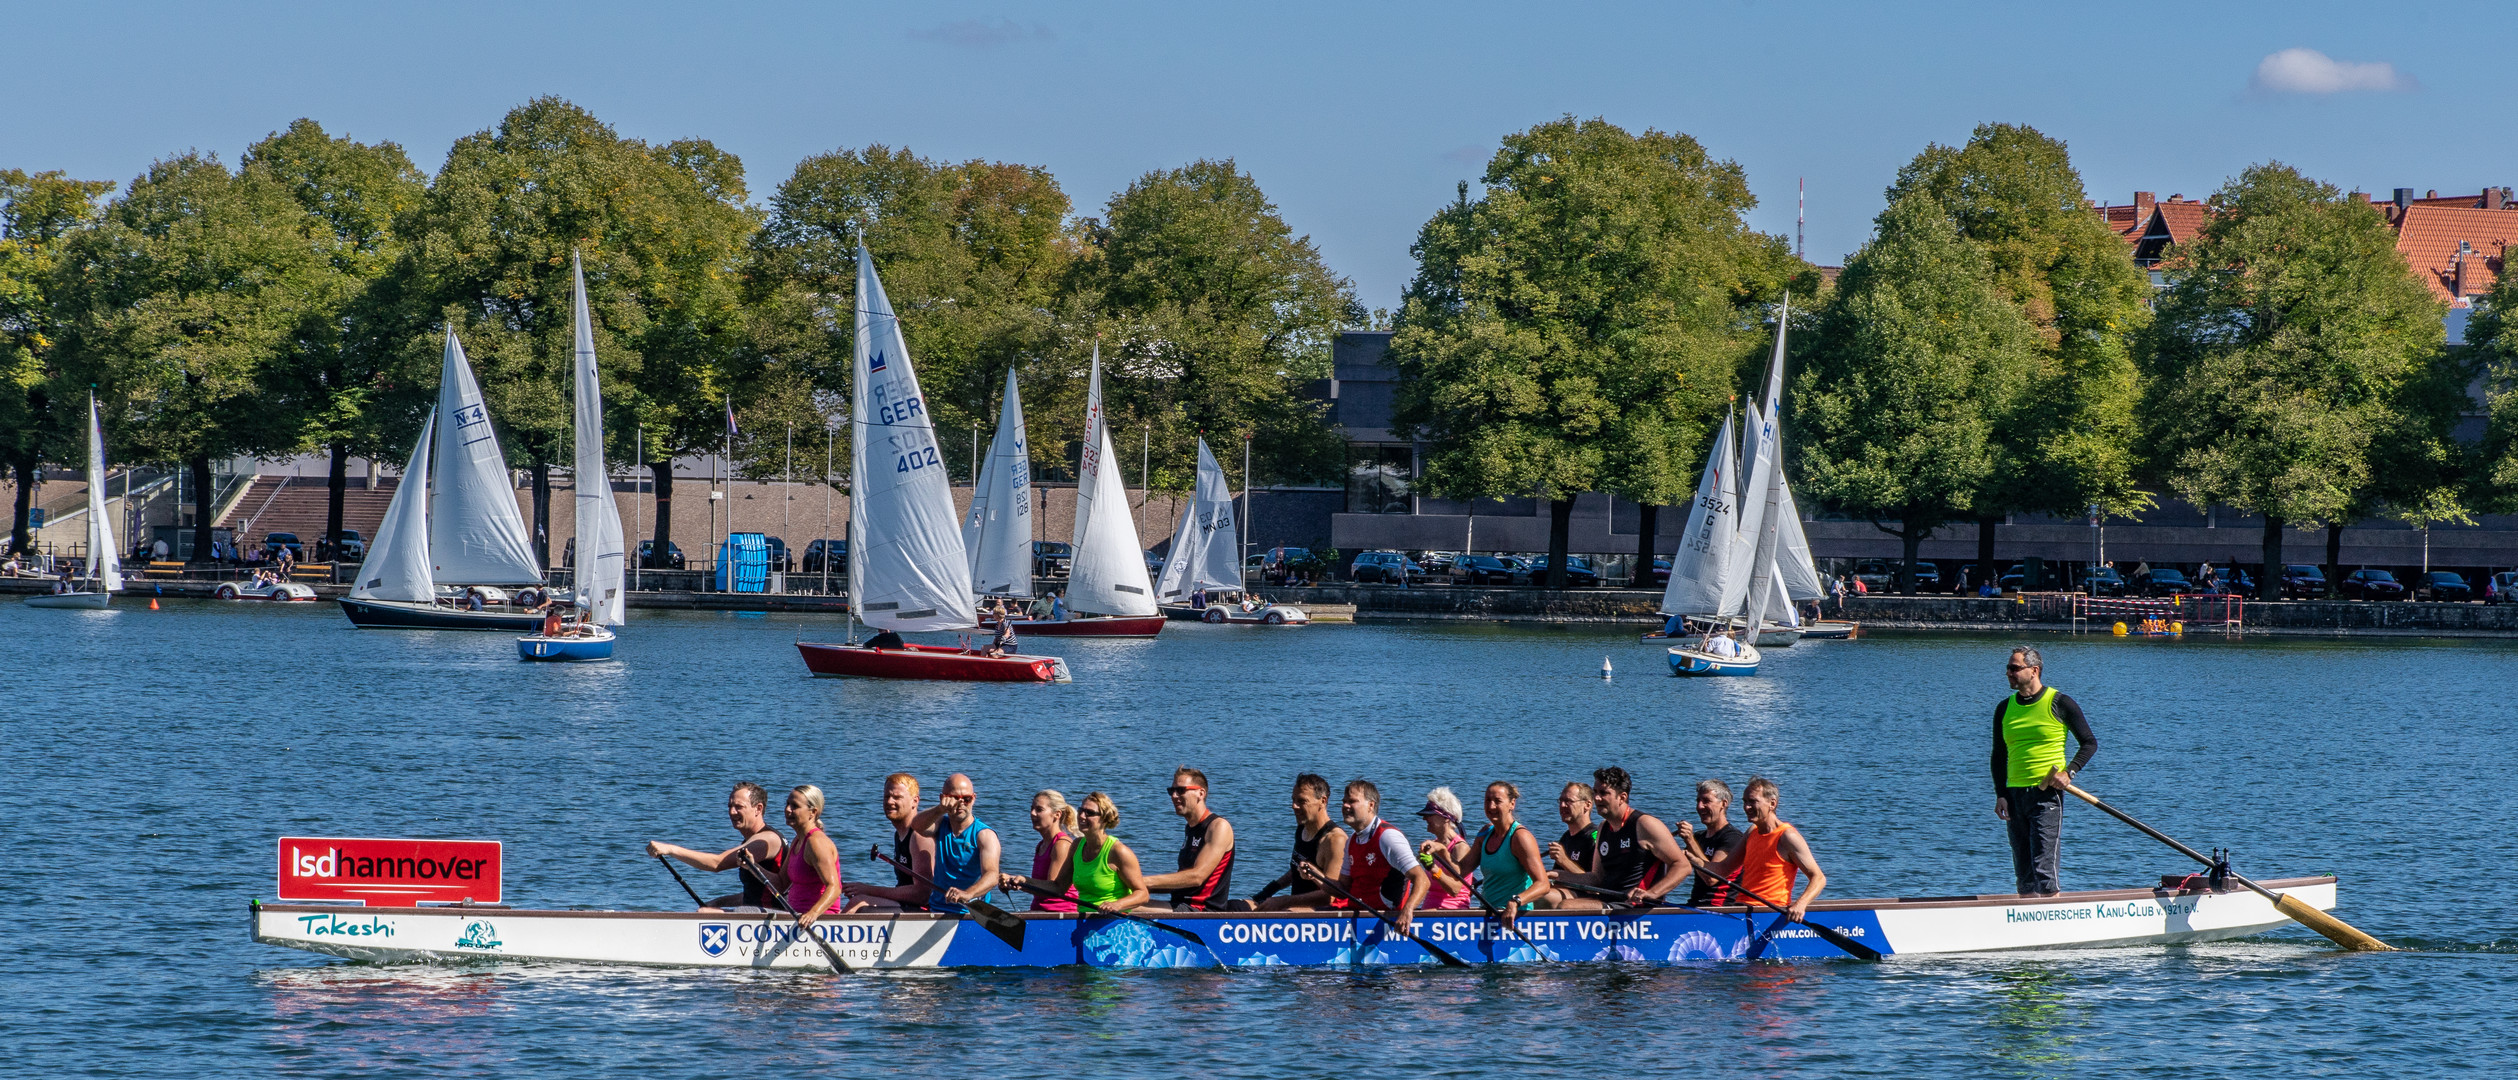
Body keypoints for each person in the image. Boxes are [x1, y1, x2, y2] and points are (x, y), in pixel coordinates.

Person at [1994, 645, 2097, 896]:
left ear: (2034, 670)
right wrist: (2001, 794)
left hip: (2046, 795)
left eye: (2015, 668)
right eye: (2008, 668)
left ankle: (2052, 913)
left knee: (2043, 870)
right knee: (2024, 873)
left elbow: (2089, 743)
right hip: (2014, 795)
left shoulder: (2060, 703)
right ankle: (2028, 923)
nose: (2009, 673)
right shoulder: (2004, 708)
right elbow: (1998, 755)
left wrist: (2069, 772)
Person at [1298, 780, 1430, 936]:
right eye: (1344, 802)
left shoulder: (1388, 837)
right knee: (1292, 911)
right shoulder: (1352, 841)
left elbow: (1422, 879)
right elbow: (1343, 889)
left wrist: (1408, 911)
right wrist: (1315, 875)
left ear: (1371, 806)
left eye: (1352, 801)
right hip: (1356, 913)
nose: (1345, 806)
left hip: (1382, 920)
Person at [1562, 767, 1691, 910]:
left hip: (1634, 906)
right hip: (1609, 901)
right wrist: (1555, 876)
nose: (1596, 798)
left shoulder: (1645, 825)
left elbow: (1683, 866)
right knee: (1551, 897)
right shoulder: (1604, 828)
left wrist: (1653, 893)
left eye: (1604, 793)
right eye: (1595, 792)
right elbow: (1596, 878)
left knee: (1566, 907)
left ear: (1622, 797)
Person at [646, 782, 788, 911]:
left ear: (758, 808)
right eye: (730, 806)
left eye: (739, 807)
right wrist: (717, 902)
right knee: (707, 909)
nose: (732, 812)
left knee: (704, 914)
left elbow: (717, 863)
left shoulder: (766, 840)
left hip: (774, 919)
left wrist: (671, 850)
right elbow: (754, 894)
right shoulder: (752, 839)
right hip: (760, 915)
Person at [1004, 791, 1151, 913]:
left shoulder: (1119, 851)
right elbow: (1058, 887)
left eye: (1089, 813)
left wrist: (1117, 905)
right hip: (1083, 919)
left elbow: (1142, 894)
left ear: (1104, 819)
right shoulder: (1077, 846)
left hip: (1112, 920)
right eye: (1081, 811)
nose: (1081, 816)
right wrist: (1023, 881)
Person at [1244, 773, 1349, 911]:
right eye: (1293, 800)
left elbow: (1329, 897)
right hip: (1294, 907)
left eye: (1302, 801)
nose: (1294, 806)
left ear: (1323, 801)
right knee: (1238, 906)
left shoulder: (1335, 839)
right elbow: (1295, 870)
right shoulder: (1303, 828)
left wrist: (1284, 901)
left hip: (1320, 913)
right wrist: (1267, 892)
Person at [1140, 767, 1237, 911]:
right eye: (1171, 791)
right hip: (1180, 905)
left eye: (1180, 790)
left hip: (1201, 912)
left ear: (1201, 793)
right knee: (1119, 899)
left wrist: (1141, 881)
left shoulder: (1218, 827)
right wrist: (1136, 887)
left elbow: (1197, 877)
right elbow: (1182, 881)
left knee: (1125, 906)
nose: (1173, 796)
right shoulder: (1190, 828)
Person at [1733, 777, 1827, 921]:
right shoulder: (1752, 831)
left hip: (1769, 914)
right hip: (1741, 909)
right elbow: (1723, 868)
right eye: (1744, 802)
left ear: (1772, 804)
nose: (1746, 807)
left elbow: (1819, 878)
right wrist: (1689, 855)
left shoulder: (1787, 836)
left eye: (1752, 801)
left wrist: (1800, 904)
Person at [906, 773, 1001, 913]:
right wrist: (940, 809)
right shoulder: (940, 825)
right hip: (937, 909)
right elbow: (916, 826)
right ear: (943, 798)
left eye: (966, 799)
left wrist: (968, 893)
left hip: (969, 913)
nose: (961, 804)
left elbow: (992, 876)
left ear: (974, 798)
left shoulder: (985, 835)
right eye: (955, 799)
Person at [1469, 782, 1554, 931]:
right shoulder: (1485, 833)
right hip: (1489, 913)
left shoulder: (1520, 837)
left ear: (1512, 804)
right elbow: (1461, 869)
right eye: (1487, 800)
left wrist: (1516, 901)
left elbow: (1543, 884)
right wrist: (1439, 853)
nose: (1491, 807)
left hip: (1515, 917)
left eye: (1497, 801)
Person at [843, 773, 932, 912]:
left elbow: (923, 894)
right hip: (908, 904)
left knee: (859, 902)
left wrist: (869, 890)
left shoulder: (919, 836)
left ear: (915, 801)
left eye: (897, 797)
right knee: (860, 898)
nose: (890, 801)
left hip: (926, 910)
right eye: (886, 797)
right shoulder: (899, 834)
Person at [781, 785, 845, 928]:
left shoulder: (816, 843)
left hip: (817, 922)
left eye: (795, 806)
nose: (787, 809)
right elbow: (780, 882)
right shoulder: (797, 840)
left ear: (813, 812)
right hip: (795, 915)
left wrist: (813, 913)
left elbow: (834, 888)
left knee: (743, 912)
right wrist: (752, 865)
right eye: (787, 804)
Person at [1682, 779, 1746, 908]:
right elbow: (1680, 868)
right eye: (1698, 801)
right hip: (1695, 905)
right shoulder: (1699, 836)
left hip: (1718, 908)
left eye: (1706, 801)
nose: (1699, 806)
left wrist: (1690, 841)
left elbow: (1711, 879)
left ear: (1723, 804)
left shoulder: (1732, 838)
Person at [1413, 787, 1476, 910]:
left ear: (1447, 817)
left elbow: (1455, 889)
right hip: (1430, 911)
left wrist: (1433, 868)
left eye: (1430, 814)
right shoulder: (1434, 845)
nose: (1424, 818)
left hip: (1452, 914)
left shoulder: (1460, 848)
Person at [1023, 790, 1080, 913]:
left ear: (1057, 814)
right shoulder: (1041, 845)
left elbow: (1051, 889)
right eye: (1032, 809)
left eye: (1039, 810)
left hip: (1060, 914)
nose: (1032, 813)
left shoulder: (1062, 844)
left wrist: (1021, 882)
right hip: (1039, 911)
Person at [1544, 781, 1598, 879]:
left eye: (1569, 801)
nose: (1562, 805)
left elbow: (1594, 882)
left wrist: (1564, 860)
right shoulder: (1566, 837)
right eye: (1560, 801)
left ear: (1587, 805)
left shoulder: (1595, 837)